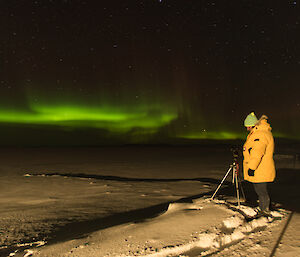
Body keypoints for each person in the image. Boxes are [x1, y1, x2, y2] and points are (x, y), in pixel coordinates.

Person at [243, 112, 276, 216]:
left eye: (248, 126)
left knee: (261, 191)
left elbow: (257, 152)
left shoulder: (261, 134)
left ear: (253, 125)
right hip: (260, 168)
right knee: (260, 191)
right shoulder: (258, 133)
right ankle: (263, 208)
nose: (247, 129)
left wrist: (251, 167)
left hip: (260, 169)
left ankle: (265, 210)